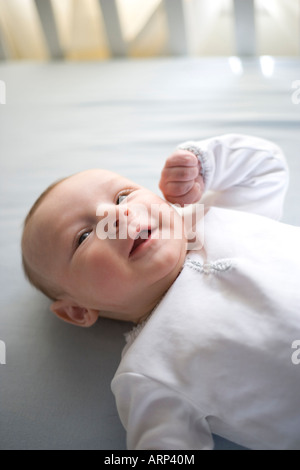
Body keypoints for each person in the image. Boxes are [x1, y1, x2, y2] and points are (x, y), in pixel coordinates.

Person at [21, 134, 300, 450]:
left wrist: (201, 164)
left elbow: (266, 166)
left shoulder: (211, 213)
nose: (117, 216)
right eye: (84, 236)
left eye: (123, 196)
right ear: (77, 310)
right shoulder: (148, 372)